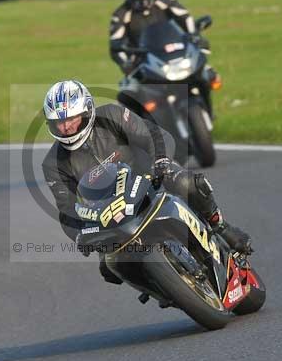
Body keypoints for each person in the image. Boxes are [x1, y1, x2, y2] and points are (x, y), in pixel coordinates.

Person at [40, 80, 252, 284]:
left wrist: (160, 162)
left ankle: (222, 227)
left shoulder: (112, 115)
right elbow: (67, 208)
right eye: (59, 122)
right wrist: (79, 236)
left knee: (187, 183)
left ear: (87, 111)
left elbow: (153, 134)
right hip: (109, 212)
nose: (66, 127)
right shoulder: (53, 163)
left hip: (149, 177)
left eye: (71, 119)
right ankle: (164, 286)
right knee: (111, 268)